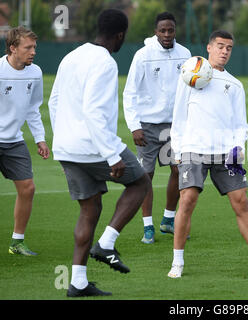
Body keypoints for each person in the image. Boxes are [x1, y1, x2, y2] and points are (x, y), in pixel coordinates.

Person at [48, 9, 151, 297]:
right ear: (120, 35)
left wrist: (63, 142)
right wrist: (112, 155)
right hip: (93, 148)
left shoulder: (72, 55)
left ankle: (77, 282)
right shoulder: (105, 63)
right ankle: (106, 243)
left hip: (68, 148)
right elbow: (95, 113)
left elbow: (54, 101)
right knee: (140, 182)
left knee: (90, 208)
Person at [167, 30, 248, 278]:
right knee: (187, 199)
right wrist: (177, 148)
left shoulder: (235, 85)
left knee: (241, 202)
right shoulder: (190, 76)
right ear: (209, 48)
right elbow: (178, 116)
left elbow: (241, 124)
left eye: (229, 48)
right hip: (193, 149)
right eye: (220, 46)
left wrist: (238, 147)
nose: (224, 51)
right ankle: (177, 262)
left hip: (226, 153)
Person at [123, 12, 191, 244]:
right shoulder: (142, 56)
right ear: (155, 31)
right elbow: (129, 92)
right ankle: (148, 226)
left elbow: (189, 89)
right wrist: (134, 126)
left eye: (170, 30)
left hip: (175, 126)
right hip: (148, 126)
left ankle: (168, 220)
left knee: (177, 171)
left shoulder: (185, 54)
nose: (166, 34)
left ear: (175, 30)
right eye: (162, 30)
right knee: (145, 177)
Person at [0, 26, 50, 256]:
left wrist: (40, 139)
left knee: (28, 188)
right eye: (27, 48)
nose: (33, 52)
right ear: (13, 48)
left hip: (14, 141)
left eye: (35, 48)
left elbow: (32, 108)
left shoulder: (35, 72)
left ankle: (17, 242)